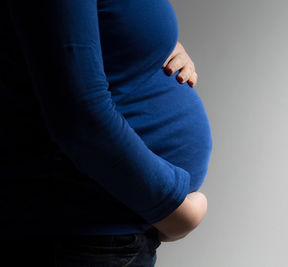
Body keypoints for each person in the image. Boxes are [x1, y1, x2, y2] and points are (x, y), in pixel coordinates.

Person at [0, 0, 212, 266]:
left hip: (102, 232)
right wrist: (173, 210)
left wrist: (159, 48)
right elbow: (78, 116)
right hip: (83, 235)